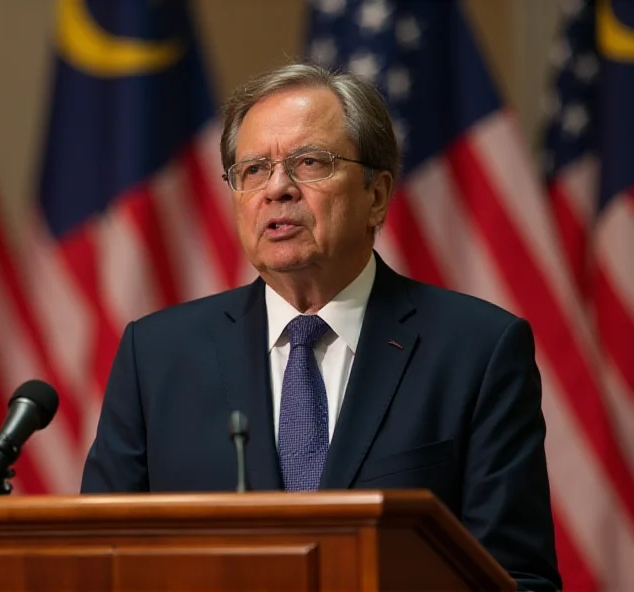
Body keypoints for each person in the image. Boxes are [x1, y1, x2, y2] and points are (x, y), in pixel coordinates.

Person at [80, 63, 561, 591]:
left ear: (376, 195)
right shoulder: (156, 357)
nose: (277, 189)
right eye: (253, 170)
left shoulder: (478, 350)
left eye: (310, 162)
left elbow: (518, 579)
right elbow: (96, 564)